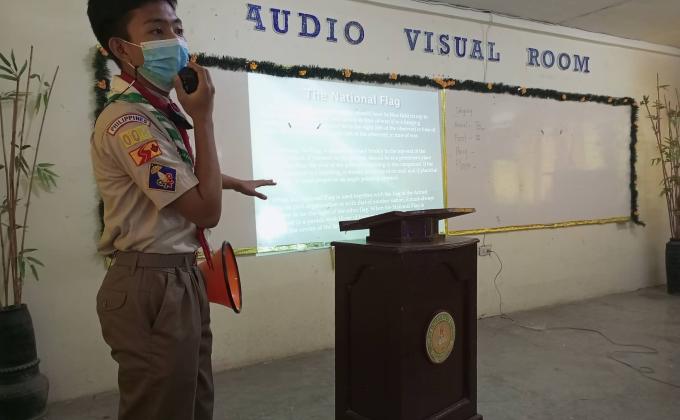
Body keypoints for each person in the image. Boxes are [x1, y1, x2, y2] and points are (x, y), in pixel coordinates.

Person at [87, 1, 275, 419]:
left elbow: (177, 176)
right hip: (151, 283)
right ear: (121, 48)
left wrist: (232, 181)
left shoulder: (154, 111)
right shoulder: (129, 123)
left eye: (177, 28)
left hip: (177, 276)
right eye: (156, 31)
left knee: (193, 401)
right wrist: (204, 119)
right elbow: (205, 212)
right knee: (162, 408)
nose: (175, 41)